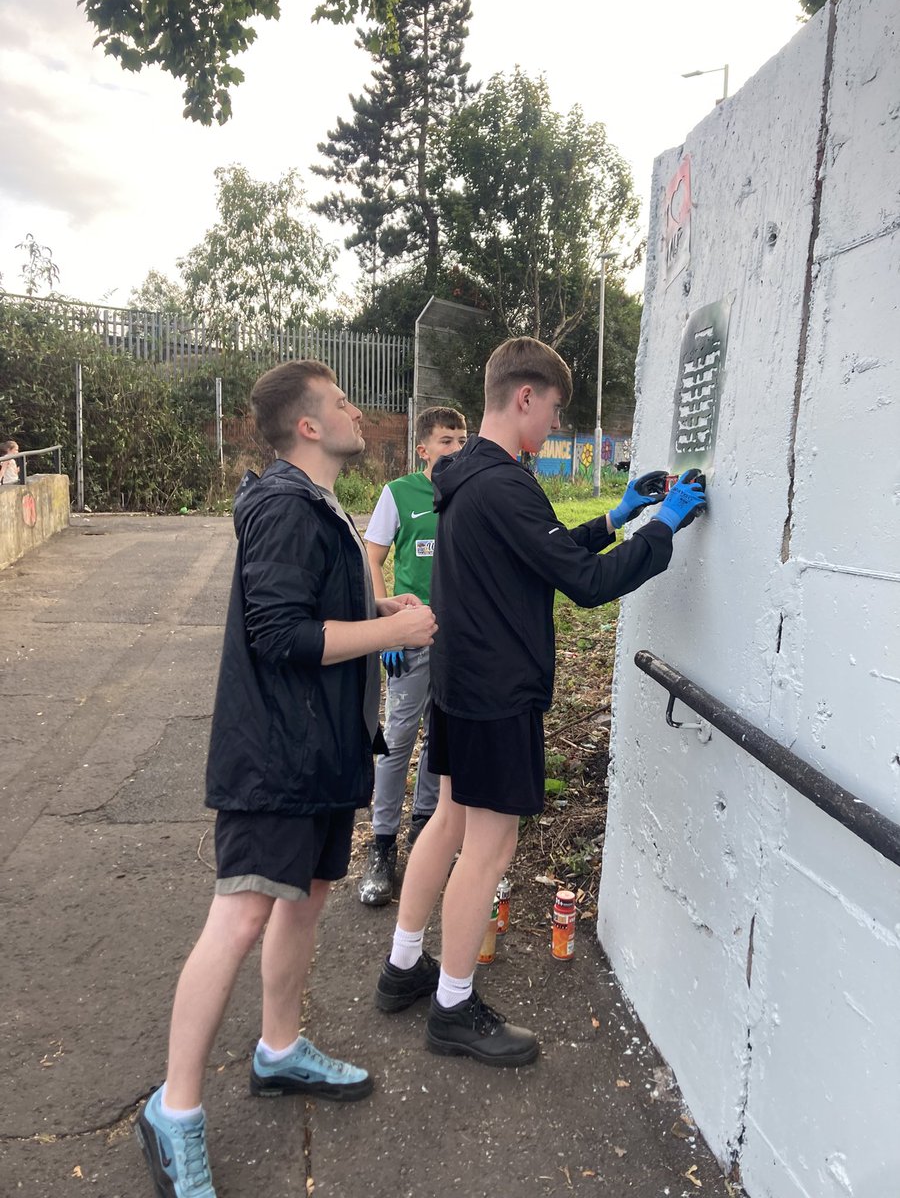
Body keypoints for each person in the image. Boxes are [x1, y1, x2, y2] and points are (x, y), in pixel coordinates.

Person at [135, 360, 437, 1198]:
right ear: (308, 425)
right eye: (342, 402)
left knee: (305, 901)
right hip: (273, 759)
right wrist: (390, 634)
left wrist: (384, 615)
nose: (355, 413)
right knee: (237, 919)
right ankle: (175, 1111)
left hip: (321, 753)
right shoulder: (280, 505)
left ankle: (278, 1050)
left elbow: (311, 610)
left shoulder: (318, 505)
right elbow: (279, 633)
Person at [374, 336, 706, 1065]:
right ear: (525, 397)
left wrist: (619, 517)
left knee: (447, 822)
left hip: (460, 685)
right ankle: (453, 1009)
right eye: (553, 409)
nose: (554, 424)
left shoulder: (466, 479)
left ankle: (403, 967)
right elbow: (584, 585)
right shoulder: (504, 484)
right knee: (489, 851)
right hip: (497, 694)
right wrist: (665, 530)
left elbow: (541, 553)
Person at [359, 406, 468, 905]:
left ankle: (424, 833)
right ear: (423, 449)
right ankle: (381, 845)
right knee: (398, 738)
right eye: (446, 441)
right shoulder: (399, 494)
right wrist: (386, 630)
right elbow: (372, 557)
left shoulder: (471, 490)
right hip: (410, 638)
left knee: (441, 739)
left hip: (460, 640)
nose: (456, 449)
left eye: (462, 440)